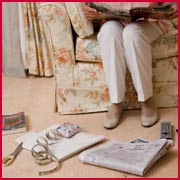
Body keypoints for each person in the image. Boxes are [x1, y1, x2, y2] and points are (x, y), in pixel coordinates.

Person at [83, 2, 177, 129]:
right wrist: (90, 10)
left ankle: (146, 99)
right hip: (111, 19)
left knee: (132, 33)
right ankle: (116, 101)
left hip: (149, 21)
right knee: (109, 33)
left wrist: (173, 7)